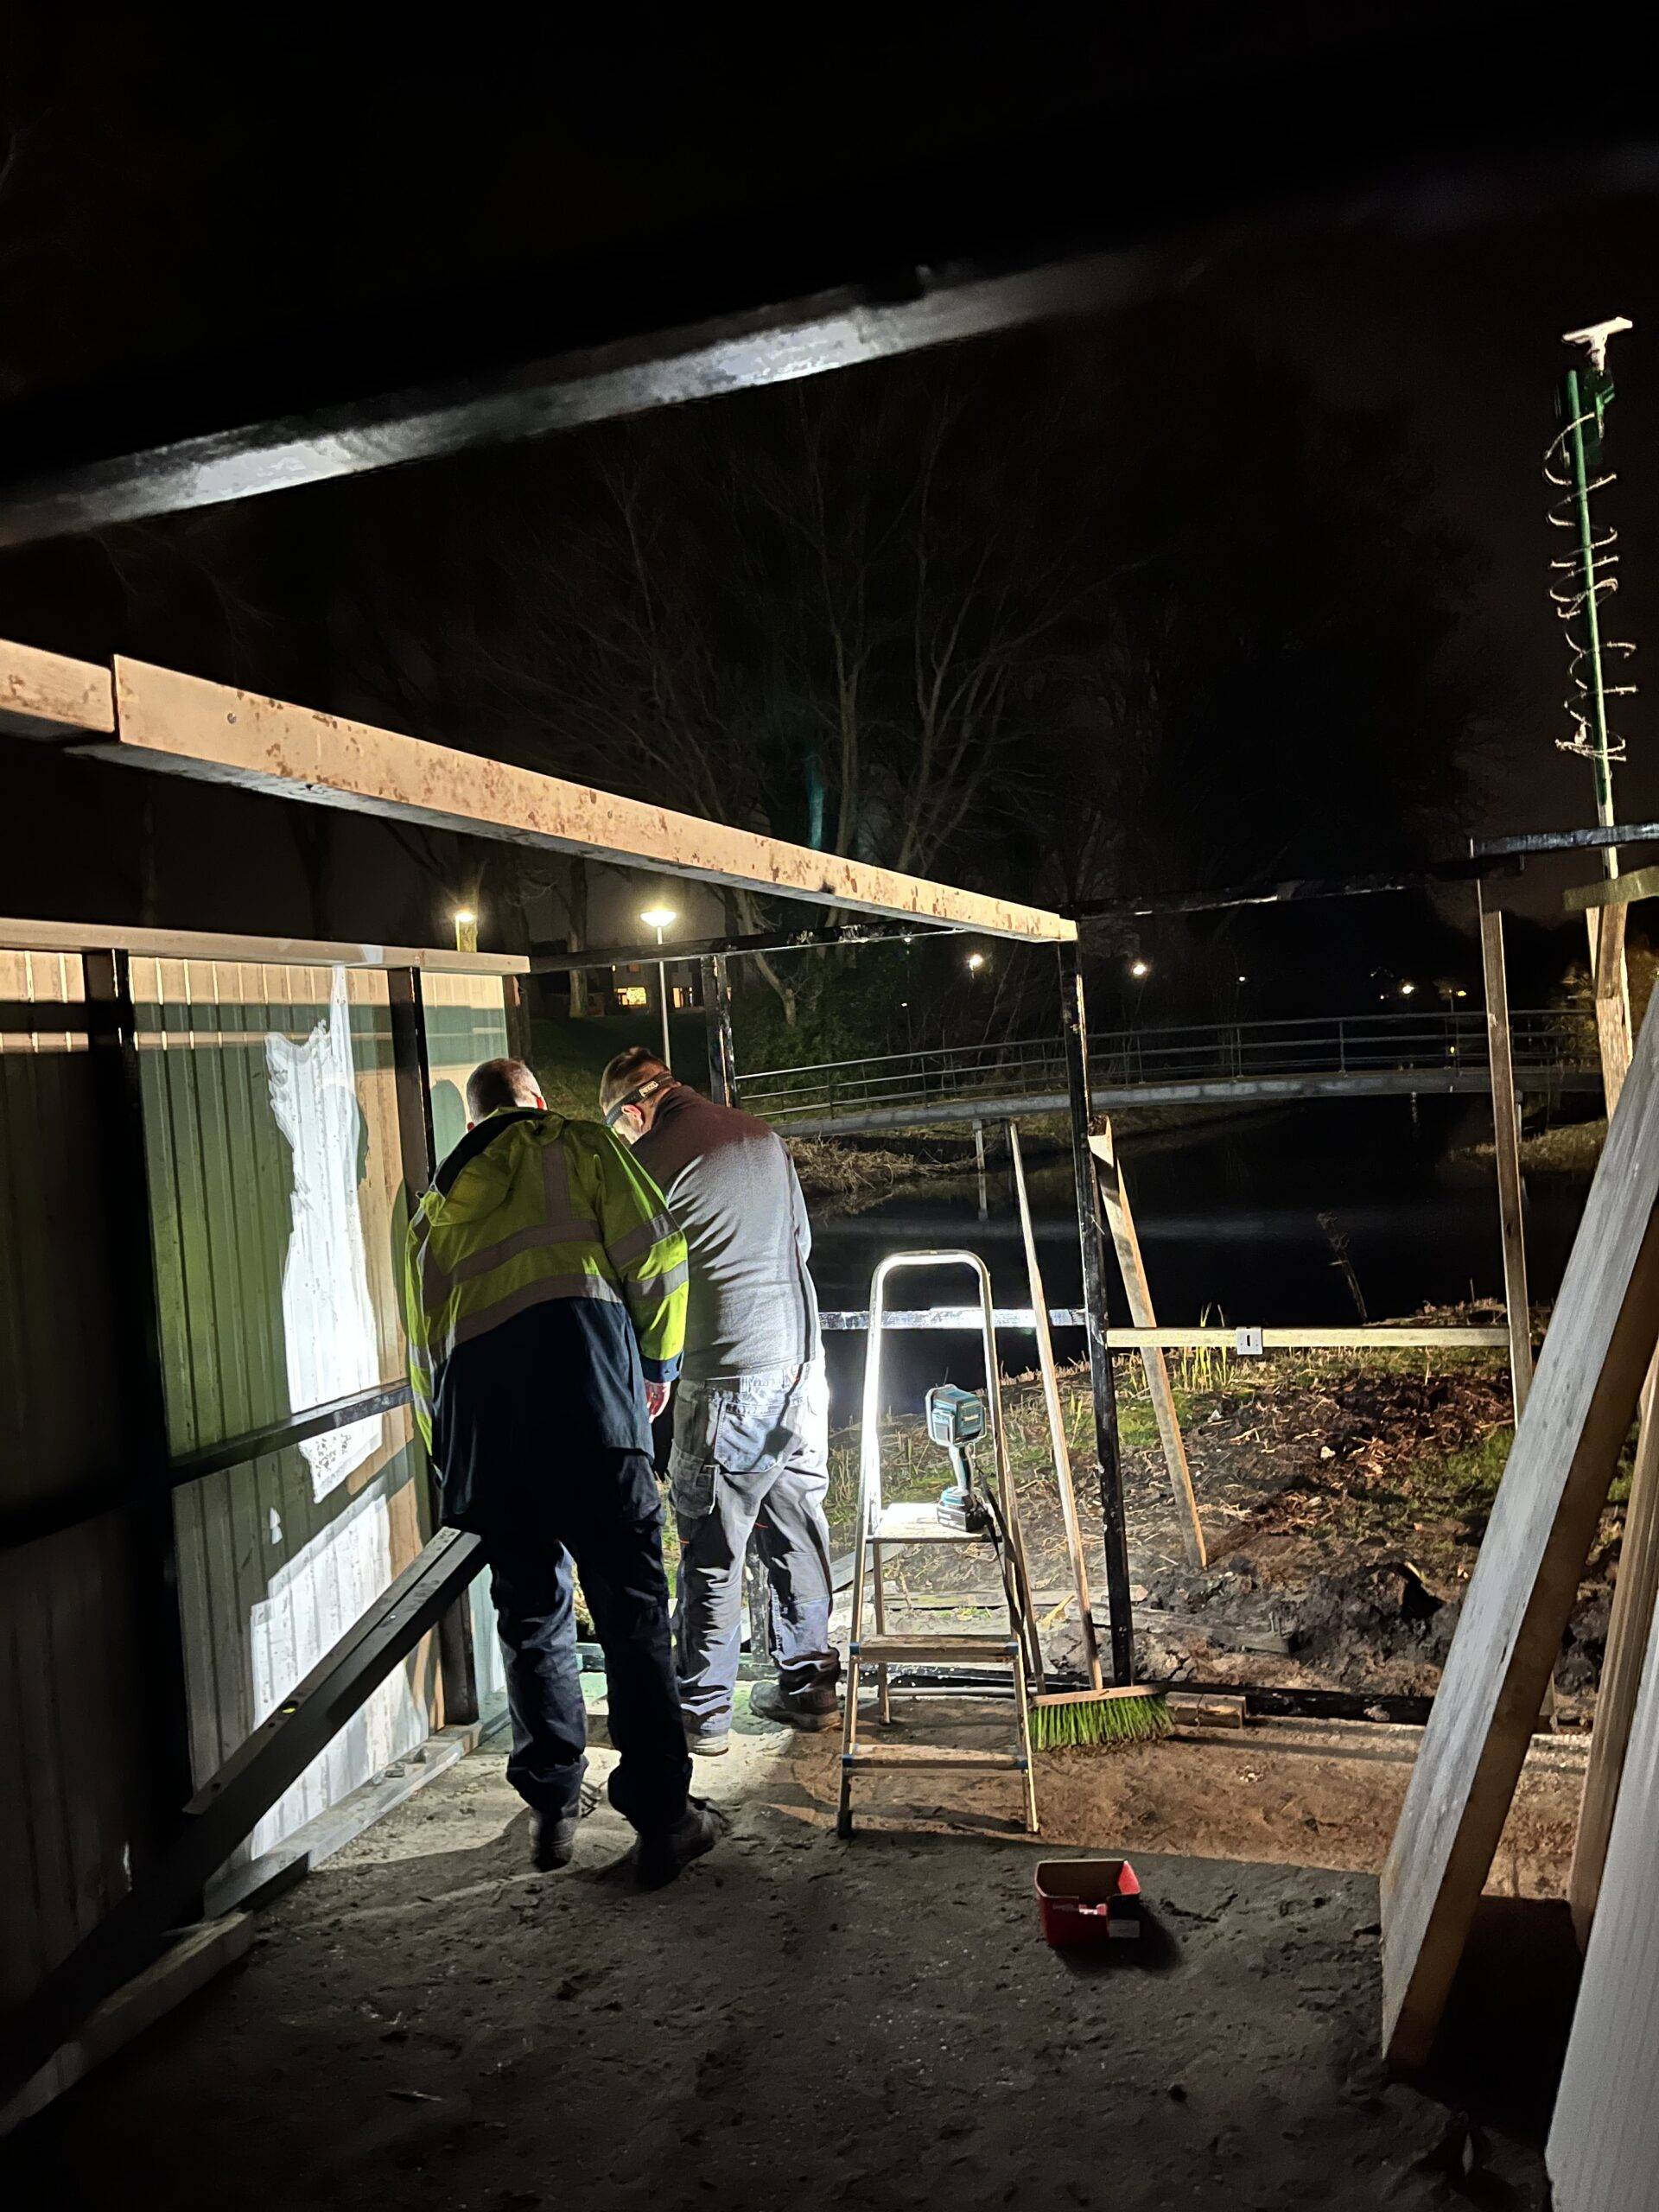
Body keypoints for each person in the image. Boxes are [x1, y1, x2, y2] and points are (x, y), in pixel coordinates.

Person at [404, 1055, 718, 1884]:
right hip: (590, 1412)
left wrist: (451, 1457)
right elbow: (658, 1256)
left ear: (473, 1124)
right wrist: (657, 1366)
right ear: (538, 1102)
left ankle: (551, 1809)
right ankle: (662, 1820)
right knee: (631, 1614)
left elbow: (424, 1359)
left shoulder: (433, 1211)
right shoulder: (580, 1146)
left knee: (532, 1618)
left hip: (491, 1446)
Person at [599, 1045, 840, 1756]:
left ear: (635, 1110)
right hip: (803, 1371)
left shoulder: (649, 1166)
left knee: (712, 1545)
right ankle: (811, 1686)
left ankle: (703, 1712)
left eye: (618, 1128)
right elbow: (800, 1243)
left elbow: (643, 1281)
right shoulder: (760, 1135)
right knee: (797, 1524)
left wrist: (654, 1366)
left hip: (728, 1385)